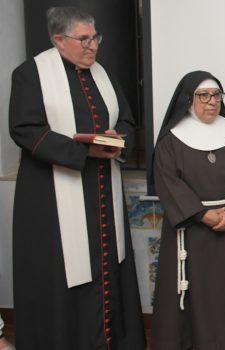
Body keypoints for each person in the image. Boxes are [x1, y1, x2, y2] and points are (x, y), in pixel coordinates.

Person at [8, 6, 145, 349]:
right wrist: (82, 152)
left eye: (95, 38)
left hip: (102, 189)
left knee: (108, 267)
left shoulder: (104, 74)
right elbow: (25, 129)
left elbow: (126, 119)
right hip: (53, 197)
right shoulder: (31, 74)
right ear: (58, 39)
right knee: (62, 276)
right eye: (83, 39)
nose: (93, 46)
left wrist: (118, 139)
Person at [150, 71, 225, 349]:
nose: (212, 102)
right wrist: (201, 214)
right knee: (195, 294)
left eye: (217, 96)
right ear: (189, 99)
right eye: (204, 96)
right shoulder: (172, 139)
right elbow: (167, 181)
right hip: (192, 232)